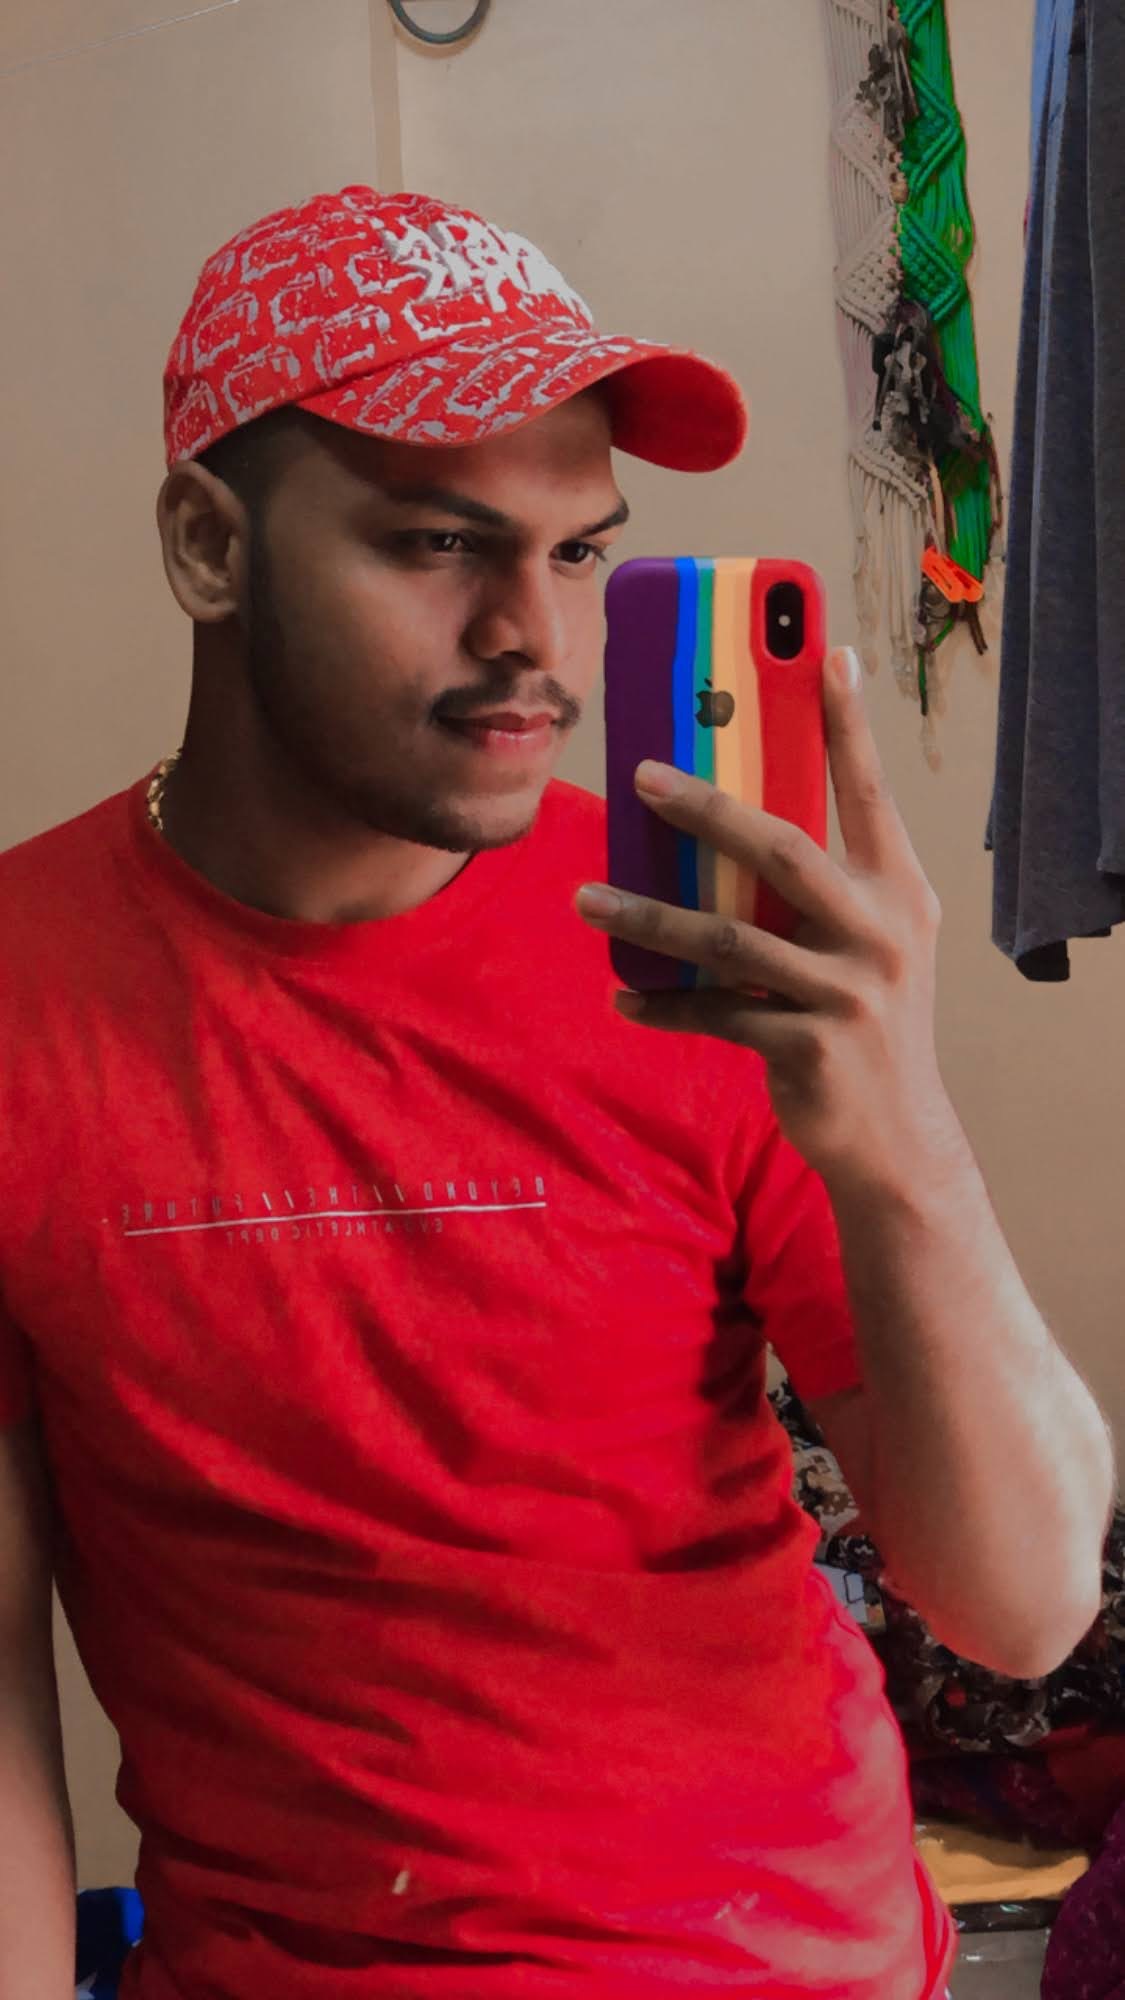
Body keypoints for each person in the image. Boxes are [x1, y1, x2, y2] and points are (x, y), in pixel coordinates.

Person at [0, 185, 1112, 2000]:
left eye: (581, 553)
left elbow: (1021, 1607)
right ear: (208, 544)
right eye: (440, 543)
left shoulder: (707, 955)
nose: (534, 635)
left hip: (786, 1964)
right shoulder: (20, 990)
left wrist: (899, 1129)